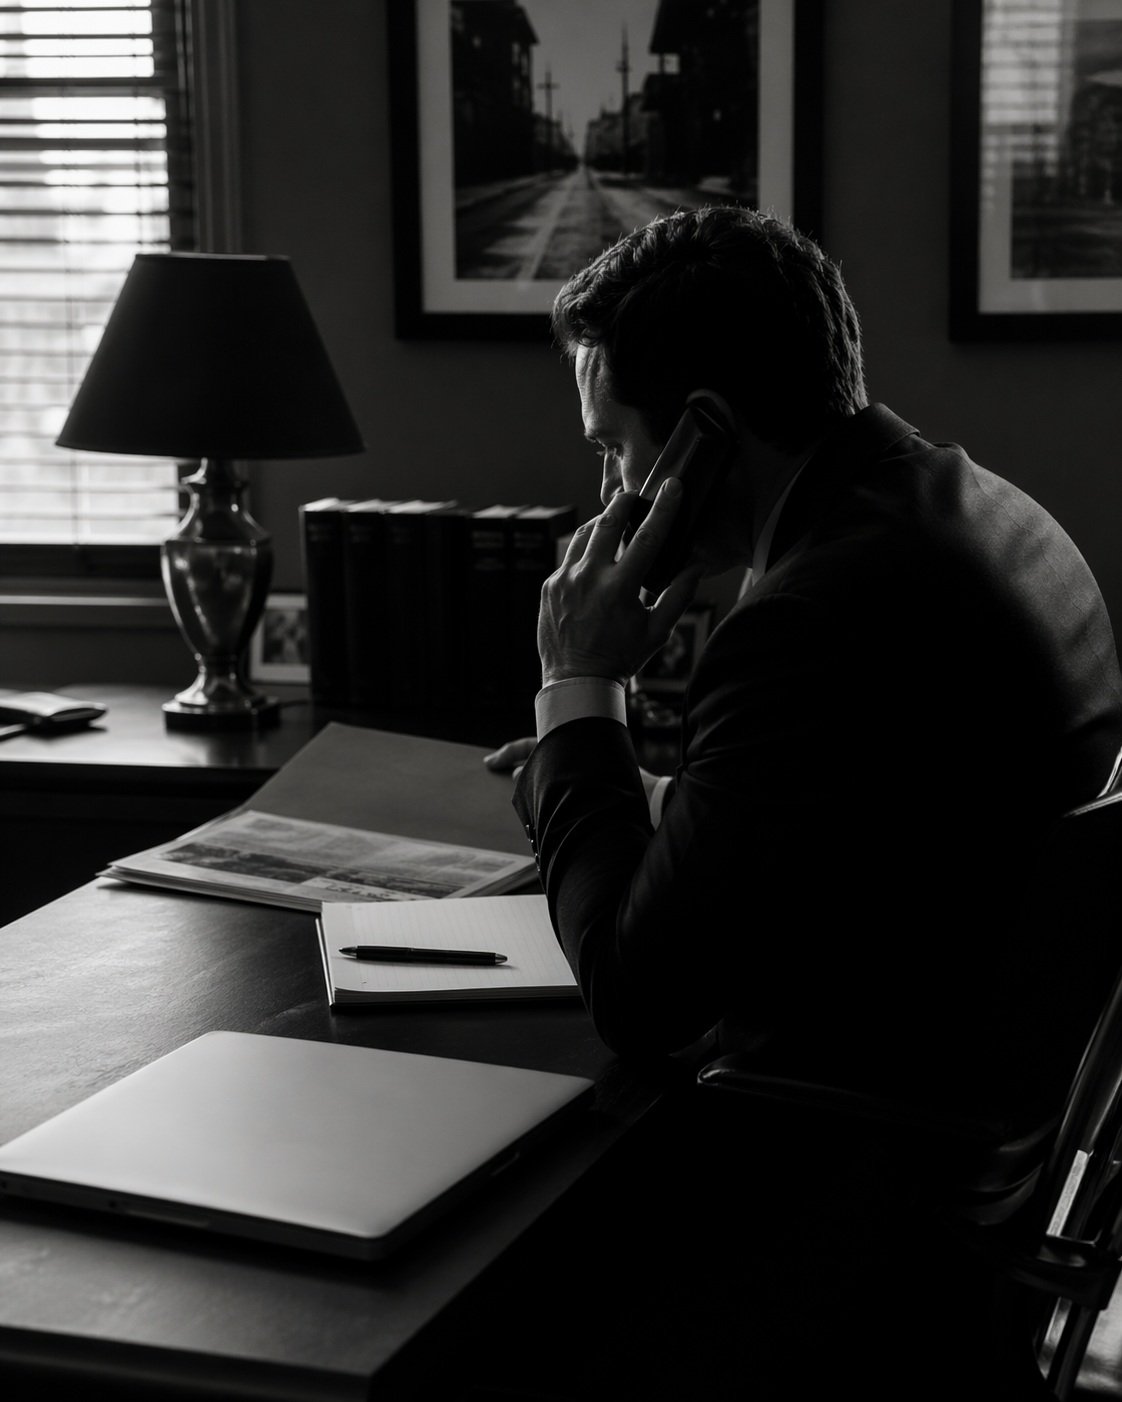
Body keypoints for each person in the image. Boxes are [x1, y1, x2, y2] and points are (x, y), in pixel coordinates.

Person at [466, 206, 1122, 1400]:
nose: (608, 494)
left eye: (616, 450)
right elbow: (889, 816)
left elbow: (637, 995)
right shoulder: (990, 517)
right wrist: (662, 795)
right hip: (950, 1194)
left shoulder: (808, 615)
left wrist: (579, 686)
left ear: (704, 434)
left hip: (812, 1234)